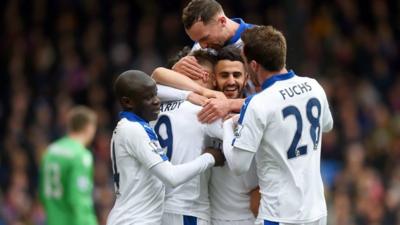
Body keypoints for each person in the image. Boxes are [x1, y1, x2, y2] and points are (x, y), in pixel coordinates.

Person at [222, 25, 334, 225]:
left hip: (279, 215)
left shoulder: (258, 103)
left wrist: (227, 127)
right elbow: (327, 126)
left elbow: (239, 165)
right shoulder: (314, 86)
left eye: (246, 63)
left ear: (254, 65)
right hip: (317, 211)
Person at [153, 46, 260, 225]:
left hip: (156, 207)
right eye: (221, 76)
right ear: (208, 77)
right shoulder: (206, 111)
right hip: (188, 208)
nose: (223, 83)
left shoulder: (155, 104)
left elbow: (154, 77)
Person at [106, 70, 224, 225]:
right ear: (128, 102)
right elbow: (171, 177)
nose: (157, 101)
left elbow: (158, 83)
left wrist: (187, 95)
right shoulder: (134, 130)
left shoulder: (131, 127)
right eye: (148, 98)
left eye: (156, 95)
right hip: (134, 220)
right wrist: (210, 157)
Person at [39, 106, 98, 225]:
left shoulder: (50, 151)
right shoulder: (81, 156)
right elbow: (79, 199)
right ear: (89, 127)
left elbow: (42, 192)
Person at [173, 0, 254, 80]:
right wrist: (175, 71)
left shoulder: (259, 39)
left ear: (222, 21)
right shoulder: (199, 48)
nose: (202, 46)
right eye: (197, 41)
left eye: (205, 38)